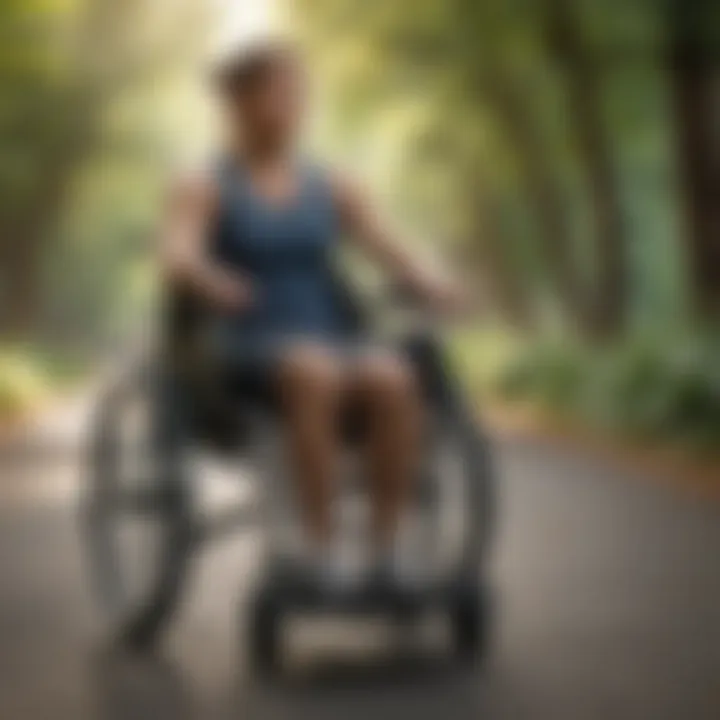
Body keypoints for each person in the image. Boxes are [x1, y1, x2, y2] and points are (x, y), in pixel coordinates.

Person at [161, 39, 465, 588]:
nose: (292, 104)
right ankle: (319, 549)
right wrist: (211, 278)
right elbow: (177, 253)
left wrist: (432, 282)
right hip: (243, 344)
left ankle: (384, 551)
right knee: (314, 370)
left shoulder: (333, 185)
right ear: (238, 102)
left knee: (394, 376)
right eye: (277, 92)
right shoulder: (204, 182)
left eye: (297, 92)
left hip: (329, 334)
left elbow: (388, 246)